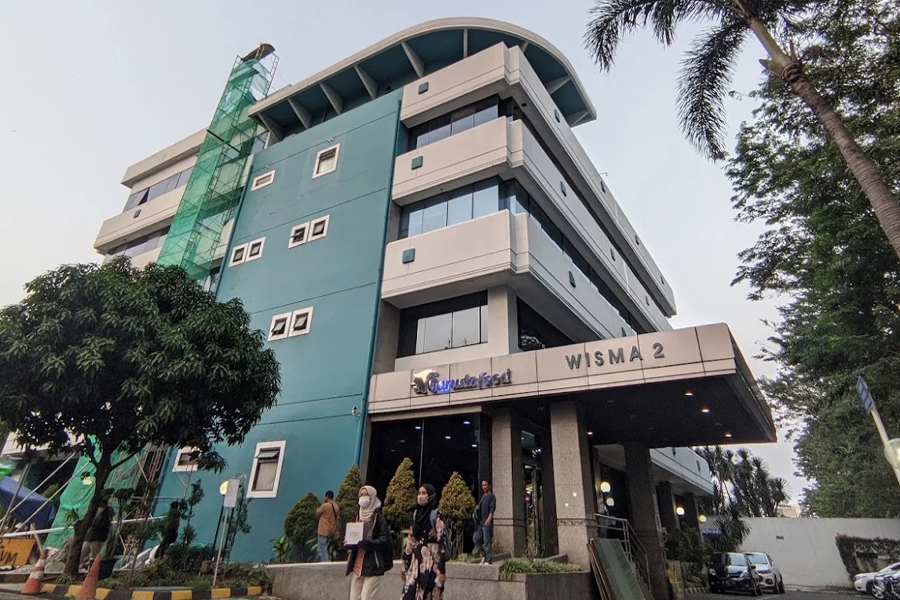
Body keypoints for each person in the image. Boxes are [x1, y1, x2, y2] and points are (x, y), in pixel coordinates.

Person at [400, 484, 448, 600]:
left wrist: (441, 570)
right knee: (409, 594)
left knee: (428, 594)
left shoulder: (437, 514)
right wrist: (405, 565)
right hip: (416, 562)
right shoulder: (416, 514)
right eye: (419, 493)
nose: (420, 496)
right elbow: (410, 540)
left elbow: (441, 542)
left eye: (424, 493)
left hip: (432, 562)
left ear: (430, 496)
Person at [345, 486, 391, 600]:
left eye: (366, 495)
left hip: (373, 564)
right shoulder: (358, 516)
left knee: (367, 597)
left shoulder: (378, 518)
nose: (363, 498)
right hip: (358, 564)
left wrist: (368, 543)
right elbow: (355, 537)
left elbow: (385, 539)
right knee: (354, 597)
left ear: (372, 497)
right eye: (361, 495)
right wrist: (349, 542)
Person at [80, 498, 113, 569]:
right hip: (90, 536)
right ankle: (83, 565)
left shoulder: (106, 514)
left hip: (97, 538)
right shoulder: (94, 511)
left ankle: (91, 569)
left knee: (94, 556)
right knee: (82, 553)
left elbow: (102, 525)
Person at [473, 479, 496, 564]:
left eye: (485, 485)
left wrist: (489, 519)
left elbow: (492, 509)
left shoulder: (492, 497)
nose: (484, 487)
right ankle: (483, 555)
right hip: (480, 522)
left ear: (489, 485)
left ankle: (489, 560)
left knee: (487, 541)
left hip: (486, 522)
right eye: (483, 485)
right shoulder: (483, 497)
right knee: (475, 539)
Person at [316, 490, 340, 562]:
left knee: (322, 546)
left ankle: (325, 561)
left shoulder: (326, 505)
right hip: (331, 529)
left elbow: (317, 513)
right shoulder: (336, 506)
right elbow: (337, 519)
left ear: (327, 497)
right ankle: (320, 560)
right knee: (323, 545)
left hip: (323, 529)